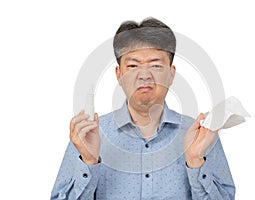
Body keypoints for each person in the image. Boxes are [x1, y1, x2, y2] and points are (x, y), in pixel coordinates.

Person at [51, 17, 235, 200]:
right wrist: (89, 162)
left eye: (155, 65)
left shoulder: (200, 135)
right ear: (119, 74)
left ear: (171, 75)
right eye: (133, 65)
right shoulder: (90, 134)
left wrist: (196, 162)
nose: (144, 75)